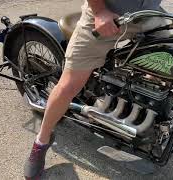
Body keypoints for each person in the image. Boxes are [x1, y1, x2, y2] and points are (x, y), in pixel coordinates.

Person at [24, 0, 165, 179]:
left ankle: (144, 107)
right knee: (69, 85)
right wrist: (99, 11)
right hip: (108, 17)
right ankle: (41, 141)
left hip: (148, 18)